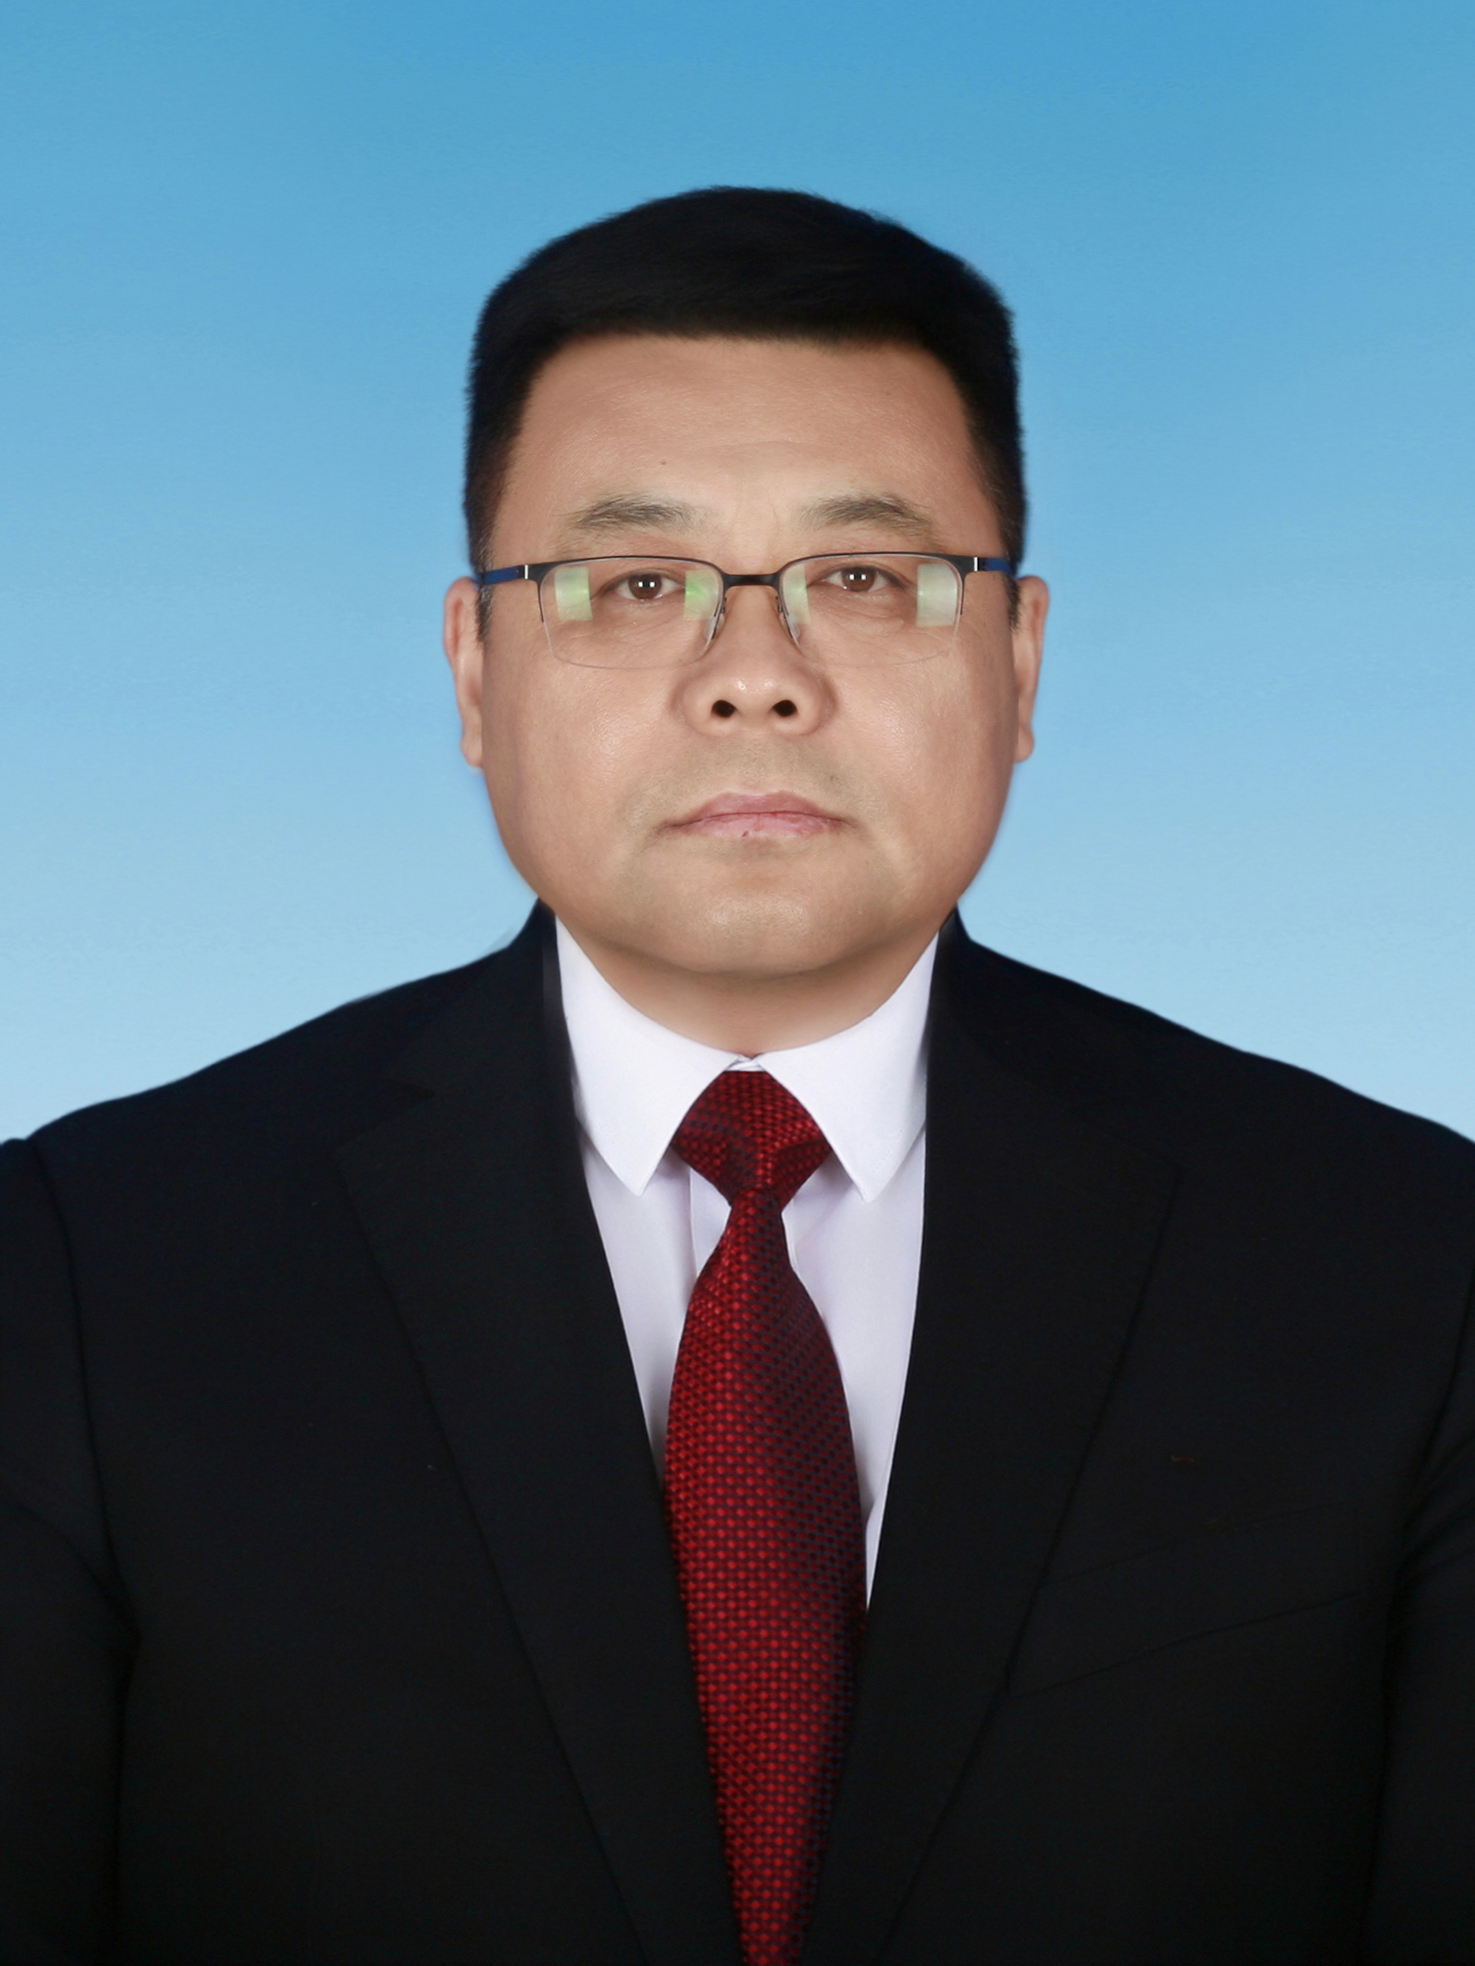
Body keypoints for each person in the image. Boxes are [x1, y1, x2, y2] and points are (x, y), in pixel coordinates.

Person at [2, 187, 1472, 1966]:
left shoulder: (1400, 1257)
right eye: (636, 585)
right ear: (474, 668)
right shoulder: (92, 1264)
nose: (757, 680)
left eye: (864, 579)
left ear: (1019, 661)